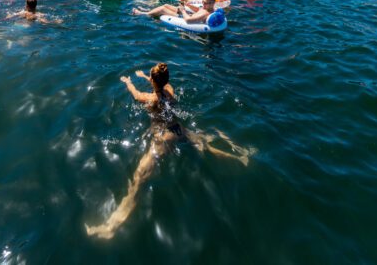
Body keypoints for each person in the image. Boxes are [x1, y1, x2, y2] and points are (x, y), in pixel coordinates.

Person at [85, 63, 252, 239]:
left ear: (153, 81)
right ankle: (240, 157)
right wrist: (145, 76)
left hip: (164, 137)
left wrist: (128, 81)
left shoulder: (148, 98)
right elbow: (161, 85)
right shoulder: (170, 91)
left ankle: (112, 226)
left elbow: (134, 93)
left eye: (150, 77)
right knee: (206, 146)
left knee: (139, 178)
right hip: (179, 129)